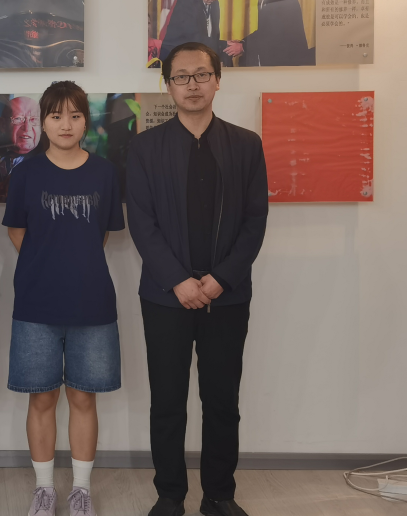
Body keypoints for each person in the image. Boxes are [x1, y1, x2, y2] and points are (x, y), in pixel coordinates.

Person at [125, 42, 268, 516]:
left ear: (218, 80)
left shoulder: (246, 144)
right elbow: (141, 222)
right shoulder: (145, 147)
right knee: (168, 401)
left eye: (202, 75)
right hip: (165, 297)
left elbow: (255, 221)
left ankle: (219, 495)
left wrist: (221, 279)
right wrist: (178, 281)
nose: (192, 85)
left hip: (227, 296)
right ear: (168, 85)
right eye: (181, 77)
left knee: (222, 400)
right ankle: (170, 495)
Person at [2, 81, 125, 516]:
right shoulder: (25, 173)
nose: (66, 124)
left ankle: (81, 490)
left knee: (84, 398)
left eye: (75, 115)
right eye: (56, 116)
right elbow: (17, 231)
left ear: (85, 122)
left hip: (92, 303)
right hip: (36, 304)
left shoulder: (105, 173)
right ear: (44, 121)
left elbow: (102, 234)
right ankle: (43, 489)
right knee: (41, 398)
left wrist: (74, 263)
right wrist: (48, 264)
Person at [224, 0, 315, 67]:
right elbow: (264, 31)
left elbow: (273, 35)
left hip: (287, 64)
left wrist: (242, 47)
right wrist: (242, 42)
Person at [159, 0, 233, 67]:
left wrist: (224, 45)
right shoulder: (185, 1)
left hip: (199, 53)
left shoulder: (215, 4)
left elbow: (214, 34)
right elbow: (194, 37)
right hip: (177, 55)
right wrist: (223, 44)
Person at [0, 96, 41, 201]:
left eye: (34, 119)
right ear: (3, 125)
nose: (27, 127)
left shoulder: (50, 161)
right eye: (18, 119)